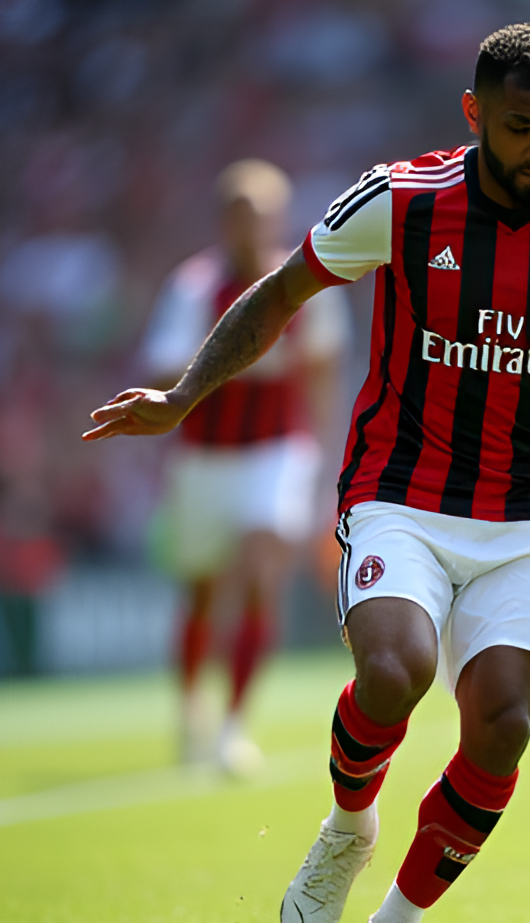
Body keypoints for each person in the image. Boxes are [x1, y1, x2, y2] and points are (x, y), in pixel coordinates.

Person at [85, 24, 530, 923]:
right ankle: (349, 824)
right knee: (397, 670)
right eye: (521, 128)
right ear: (474, 112)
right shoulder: (401, 200)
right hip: (400, 494)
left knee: (504, 725)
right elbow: (280, 294)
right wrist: (186, 394)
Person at [139, 159, 349, 773]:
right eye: (240, 217)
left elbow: (323, 372)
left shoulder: (307, 284)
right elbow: (163, 369)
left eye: (261, 217)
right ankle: (191, 711)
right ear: (223, 222)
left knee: (261, 571)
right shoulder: (194, 287)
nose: (250, 229)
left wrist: (323, 456)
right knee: (203, 592)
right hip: (204, 458)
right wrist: (233, 353)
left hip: (277, 451)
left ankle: (234, 725)